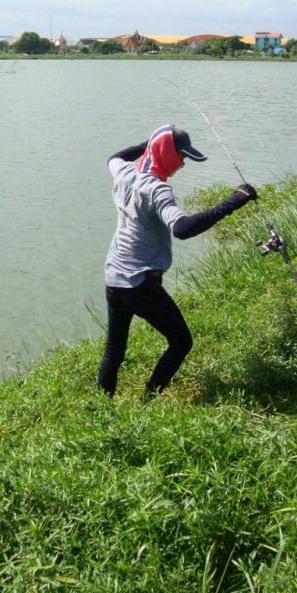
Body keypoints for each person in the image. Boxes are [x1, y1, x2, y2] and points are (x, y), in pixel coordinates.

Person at [97, 124, 257, 399]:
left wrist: (148, 143)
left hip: (114, 277)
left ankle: (101, 409)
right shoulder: (157, 190)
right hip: (140, 284)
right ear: (166, 155)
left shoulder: (123, 172)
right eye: (181, 156)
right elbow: (182, 229)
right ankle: (149, 398)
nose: (182, 163)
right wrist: (234, 201)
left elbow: (115, 156)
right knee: (181, 342)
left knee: (115, 348)